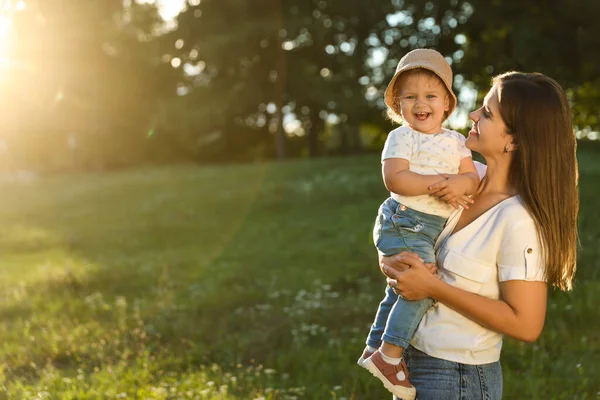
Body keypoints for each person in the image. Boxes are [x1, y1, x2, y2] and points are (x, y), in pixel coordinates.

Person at [379, 71, 579, 399]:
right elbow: (402, 225)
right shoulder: (464, 178)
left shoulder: (519, 219)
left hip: (458, 376)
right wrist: (391, 262)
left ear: (512, 140)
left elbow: (527, 325)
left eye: (486, 113)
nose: (472, 115)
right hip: (411, 359)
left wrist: (432, 288)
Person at [358, 48, 480, 400]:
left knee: (399, 285)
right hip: (404, 220)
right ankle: (391, 355)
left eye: (430, 96)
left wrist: (460, 183)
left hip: (429, 226)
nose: (419, 103)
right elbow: (395, 179)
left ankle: (373, 345)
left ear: (447, 104)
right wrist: (439, 183)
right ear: (398, 105)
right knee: (424, 283)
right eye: (409, 97)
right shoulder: (401, 137)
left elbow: (471, 178)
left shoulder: (457, 142)